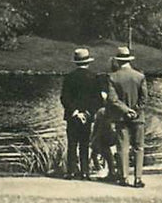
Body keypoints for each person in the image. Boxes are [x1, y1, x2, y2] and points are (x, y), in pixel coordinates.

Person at [107, 45, 149, 188]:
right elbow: (144, 99)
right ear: (129, 59)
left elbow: (113, 100)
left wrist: (126, 110)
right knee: (138, 147)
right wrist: (135, 111)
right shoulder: (140, 76)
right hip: (138, 118)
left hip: (121, 117)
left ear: (118, 61)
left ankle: (124, 177)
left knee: (123, 147)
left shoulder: (113, 77)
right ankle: (138, 178)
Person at [60, 47, 100, 180]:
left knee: (72, 144)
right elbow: (97, 99)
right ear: (88, 62)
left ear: (76, 62)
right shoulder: (94, 77)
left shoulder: (69, 77)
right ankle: (85, 172)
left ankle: (71, 171)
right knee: (84, 144)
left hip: (73, 116)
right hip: (87, 117)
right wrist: (88, 113)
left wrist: (75, 112)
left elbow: (64, 98)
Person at [89, 58, 120, 181]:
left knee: (100, 143)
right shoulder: (118, 79)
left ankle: (111, 170)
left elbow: (109, 101)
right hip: (121, 116)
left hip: (109, 117)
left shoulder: (109, 80)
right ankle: (116, 170)